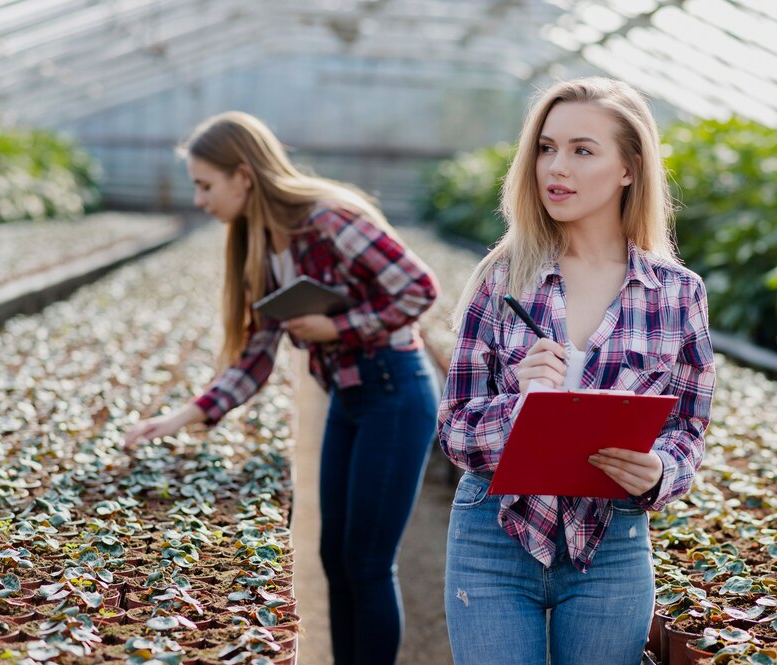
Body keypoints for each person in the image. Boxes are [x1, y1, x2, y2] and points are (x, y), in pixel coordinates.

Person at [124, 111, 442, 665]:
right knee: (332, 556)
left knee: (367, 563)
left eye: (205, 185)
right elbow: (256, 358)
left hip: (395, 395)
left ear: (242, 176)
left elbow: (419, 289)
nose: (200, 200)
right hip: (348, 398)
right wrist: (183, 416)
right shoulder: (264, 245)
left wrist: (335, 328)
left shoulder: (328, 219)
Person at [438, 77, 716, 664]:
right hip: (495, 532)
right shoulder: (503, 277)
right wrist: (521, 400)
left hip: (612, 543)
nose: (555, 167)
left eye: (582, 150)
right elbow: (454, 428)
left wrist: (658, 471)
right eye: (546, 147)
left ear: (629, 169)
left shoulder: (676, 293)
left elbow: (688, 427)